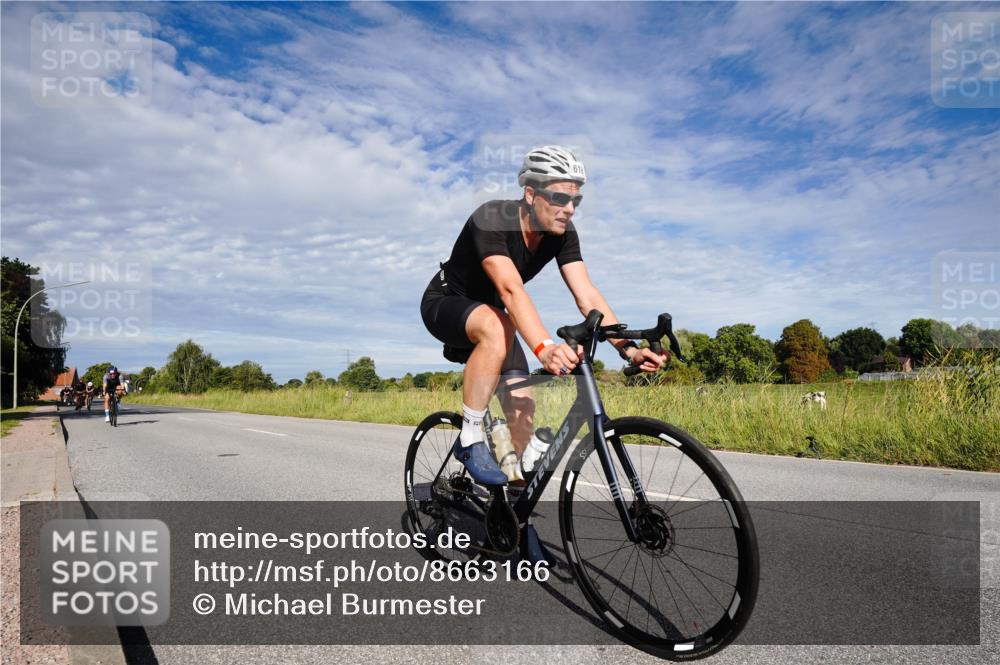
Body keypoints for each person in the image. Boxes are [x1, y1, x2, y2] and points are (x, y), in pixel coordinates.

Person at [420, 145, 667, 485]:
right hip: (446, 304)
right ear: (530, 194)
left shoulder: (562, 234)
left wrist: (628, 349)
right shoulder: (492, 218)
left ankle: (509, 506)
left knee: (523, 410)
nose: (570, 209)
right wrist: (545, 348)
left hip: (498, 321)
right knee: (496, 323)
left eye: (576, 201)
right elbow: (510, 290)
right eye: (560, 198)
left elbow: (587, 294)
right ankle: (470, 437)